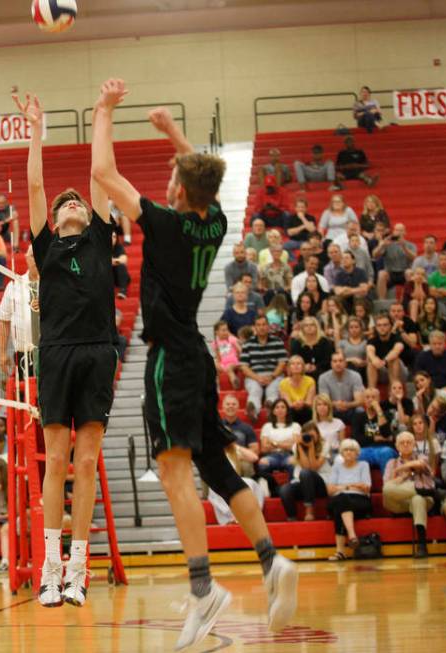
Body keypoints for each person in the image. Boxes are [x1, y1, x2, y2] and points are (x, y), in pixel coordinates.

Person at [91, 79, 297, 645]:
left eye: (173, 175)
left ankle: (204, 590)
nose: (168, 179)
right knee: (218, 469)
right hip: (199, 358)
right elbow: (204, 177)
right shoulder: (214, 221)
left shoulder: (165, 222)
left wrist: (104, 110)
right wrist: (173, 133)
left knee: (174, 471)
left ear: (178, 188)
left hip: (170, 361)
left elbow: (106, 176)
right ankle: (271, 561)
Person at [16, 90, 117, 609]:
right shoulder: (45, 246)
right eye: (65, 203)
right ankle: (49, 570)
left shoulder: (100, 238)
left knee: (86, 462)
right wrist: (36, 127)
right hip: (55, 352)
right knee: (56, 461)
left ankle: (80, 569)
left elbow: (101, 176)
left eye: (76, 201)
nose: (72, 202)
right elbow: (36, 183)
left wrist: (104, 113)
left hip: (99, 350)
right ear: (54, 220)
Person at [382, 432, 435, 558]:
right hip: (398, 502)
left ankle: (422, 545)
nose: (405, 445)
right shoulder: (391, 463)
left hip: (420, 502)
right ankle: (421, 490)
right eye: (402, 442)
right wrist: (404, 477)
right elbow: (387, 487)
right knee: (387, 489)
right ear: (397, 446)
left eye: (409, 442)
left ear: (414, 444)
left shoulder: (422, 457)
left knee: (417, 499)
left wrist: (401, 469)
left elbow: (420, 464)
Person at [0, 244, 39, 380]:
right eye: (33, 255)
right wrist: (2, 353)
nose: (37, 259)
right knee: (26, 398)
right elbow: (3, 320)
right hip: (23, 357)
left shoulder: (57, 284)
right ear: (27, 258)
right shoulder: (14, 286)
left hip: (52, 355)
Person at [326, 439, 373, 560]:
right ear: (341, 453)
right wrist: (351, 486)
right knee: (341, 499)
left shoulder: (363, 465)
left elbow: (366, 488)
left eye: (352, 450)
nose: (348, 452)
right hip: (340, 498)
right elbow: (330, 490)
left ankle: (340, 552)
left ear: (357, 453)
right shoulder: (336, 467)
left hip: (360, 500)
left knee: (340, 507)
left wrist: (341, 487)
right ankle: (352, 536)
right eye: (346, 450)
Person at [239, 315, 289, 422]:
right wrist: (257, 378)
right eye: (258, 325)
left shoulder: (278, 341)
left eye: (264, 324)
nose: (261, 327)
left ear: (268, 326)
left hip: (274, 375)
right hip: (254, 376)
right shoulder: (248, 344)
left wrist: (272, 376)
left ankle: (271, 408)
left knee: (272, 390)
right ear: (255, 327)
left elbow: (282, 363)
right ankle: (253, 411)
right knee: (255, 390)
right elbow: (244, 367)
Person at [278, 422, 331, 521]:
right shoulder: (297, 446)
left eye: (312, 435)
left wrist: (311, 447)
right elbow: (305, 465)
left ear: (318, 434)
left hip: (321, 483)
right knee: (284, 489)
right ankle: (292, 518)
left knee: (306, 473)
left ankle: (309, 510)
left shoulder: (324, 444)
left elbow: (313, 468)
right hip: (302, 483)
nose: (309, 438)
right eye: (307, 435)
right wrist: (300, 446)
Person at [257, 399, 301, 495]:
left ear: (287, 410)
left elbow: (295, 445)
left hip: (289, 455)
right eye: (277, 407)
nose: (280, 409)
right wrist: (287, 443)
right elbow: (264, 448)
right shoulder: (267, 426)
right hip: (272, 456)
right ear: (273, 411)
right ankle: (271, 489)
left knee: (294, 463)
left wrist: (274, 443)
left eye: (283, 407)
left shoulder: (295, 426)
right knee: (262, 463)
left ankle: (292, 490)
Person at [351, 388, 398, 469]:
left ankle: (387, 481)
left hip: (384, 448)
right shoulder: (357, 417)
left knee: (386, 452)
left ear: (379, 399)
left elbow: (386, 434)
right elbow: (357, 438)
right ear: (364, 400)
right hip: (365, 449)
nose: (370, 400)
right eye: (367, 397)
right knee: (356, 454)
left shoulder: (387, 415)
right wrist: (376, 438)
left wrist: (379, 410)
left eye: (373, 397)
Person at [318, 351, 365, 424]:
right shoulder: (323, 378)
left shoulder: (356, 376)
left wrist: (346, 405)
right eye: (335, 361)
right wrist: (336, 404)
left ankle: (365, 434)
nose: (338, 364)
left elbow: (359, 401)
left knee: (361, 410)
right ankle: (324, 433)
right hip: (332, 409)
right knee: (322, 408)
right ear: (331, 364)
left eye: (340, 361)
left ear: (345, 363)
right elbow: (324, 400)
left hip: (350, 409)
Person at [374, 223, 416, 300]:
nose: (399, 232)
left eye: (401, 230)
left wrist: (404, 247)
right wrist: (381, 245)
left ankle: (408, 300)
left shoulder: (411, 245)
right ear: (393, 232)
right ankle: (381, 301)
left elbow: (414, 258)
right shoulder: (387, 243)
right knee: (381, 274)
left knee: (409, 272)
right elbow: (375, 255)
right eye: (397, 230)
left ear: (405, 232)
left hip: (404, 272)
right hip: (390, 273)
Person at [366, 314, 406, 389]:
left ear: (390, 326)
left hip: (400, 372)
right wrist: (374, 359)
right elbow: (370, 351)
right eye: (379, 325)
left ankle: (393, 392)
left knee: (393, 359)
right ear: (376, 328)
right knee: (371, 362)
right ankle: (372, 391)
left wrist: (385, 361)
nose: (382, 328)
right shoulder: (372, 340)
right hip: (381, 370)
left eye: (385, 325)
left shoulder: (397, 338)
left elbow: (396, 351)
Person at [279, 356, 316, 424]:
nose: (296, 366)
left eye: (298, 363)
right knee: (290, 411)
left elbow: (309, 403)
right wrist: (295, 404)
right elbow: (287, 404)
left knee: (307, 411)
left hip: (306, 409)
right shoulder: (283, 383)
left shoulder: (310, 381)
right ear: (289, 367)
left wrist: (303, 403)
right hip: (291, 410)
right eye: (293, 364)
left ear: (303, 367)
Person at [212, 321, 242, 390]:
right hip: (223, 364)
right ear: (217, 332)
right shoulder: (215, 343)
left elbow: (240, 350)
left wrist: (239, 358)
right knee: (213, 364)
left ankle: (235, 383)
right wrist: (217, 364)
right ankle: (216, 385)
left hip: (233, 362)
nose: (226, 332)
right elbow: (218, 357)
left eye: (227, 330)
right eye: (223, 330)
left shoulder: (231, 339)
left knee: (229, 368)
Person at [112, 230, 131, 298]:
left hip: (118, 275)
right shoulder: (101, 248)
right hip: (107, 276)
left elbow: (124, 259)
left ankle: (123, 290)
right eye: (110, 237)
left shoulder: (119, 247)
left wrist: (113, 261)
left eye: (114, 237)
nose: (112, 239)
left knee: (121, 266)